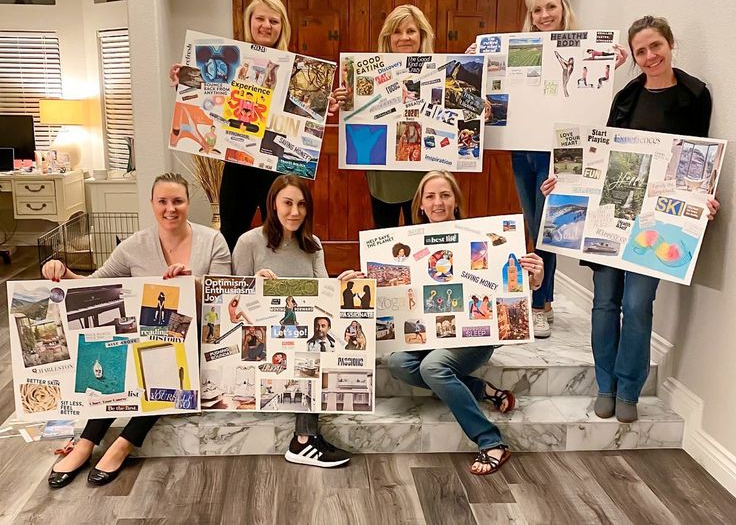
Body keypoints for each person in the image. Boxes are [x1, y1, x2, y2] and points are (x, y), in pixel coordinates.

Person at [541, 16, 719, 423]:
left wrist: (706, 198)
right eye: (641, 51)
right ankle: (606, 386)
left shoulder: (695, 96)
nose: (650, 56)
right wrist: (563, 182)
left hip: (657, 223)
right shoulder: (626, 97)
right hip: (610, 217)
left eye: (656, 46)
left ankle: (629, 390)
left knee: (638, 305)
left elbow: (701, 157)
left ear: (671, 44)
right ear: (634, 57)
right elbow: (598, 154)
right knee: (605, 303)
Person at [42, 173, 231, 488]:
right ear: (152, 204)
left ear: (188, 204)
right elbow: (97, 286)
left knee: (166, 365)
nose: (170, 209)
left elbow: (222, 296)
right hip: (146, 336)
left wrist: (191, 282)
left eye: (178, 201)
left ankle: (124, 442)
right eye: (163, 202)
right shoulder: (134, 246)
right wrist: (63, 271)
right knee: (118, 356)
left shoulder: (213, 241)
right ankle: (87, 441)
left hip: (197, 338)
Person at [467, 0, 627, 338]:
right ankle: (545, 298)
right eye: (536, 9)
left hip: (561, 152)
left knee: (547, 229)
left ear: (563, 8)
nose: (543, 15)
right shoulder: (521, 49)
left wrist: (609, 67)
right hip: (522, 149)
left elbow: (586, 92)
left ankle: (539, 304)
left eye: (550, 7)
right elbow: (496, 91)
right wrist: (475, 62)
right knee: (533, 222)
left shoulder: (586, 48)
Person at [387, 171, 545, 476]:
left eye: (445, 195)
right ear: (420, 205)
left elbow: (508, 286)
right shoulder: (404, 247)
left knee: (433, 368)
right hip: (430, 337)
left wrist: (534, 279)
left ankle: (491, 441)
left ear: (456, 201)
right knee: (396, 362)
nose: (438, 203)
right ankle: (480, 389)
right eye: (430, 196)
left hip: (474, 337)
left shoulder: (483, 238)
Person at [169, 0, 347, 252]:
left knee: (284, 234)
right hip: (238, 163)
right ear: (249, 22)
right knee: (231, 232)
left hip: (278, 167)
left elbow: (304, 114)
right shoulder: (230, 60)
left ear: (282, 27)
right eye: (260, 18)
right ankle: (232, 289)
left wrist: (323, 107)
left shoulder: (297, 70)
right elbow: (206, 99)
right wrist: (183, 81)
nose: (266, 25)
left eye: (274, 21)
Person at [232, 173, 364, 467]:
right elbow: (233, 300)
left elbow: (324, 294)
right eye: (287, 203)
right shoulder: (249, 242)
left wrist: (342, 284)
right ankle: (304, 440)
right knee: (307, 358)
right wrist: (254, 284)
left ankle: (304, 439)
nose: (295, 212)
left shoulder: (312, 243)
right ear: (273, 205)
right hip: (263, 343)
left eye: (301, 205)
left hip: (301, 340)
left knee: (317, 349)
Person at [366, 5, 435, 228]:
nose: (404, 37)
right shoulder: (370, 74)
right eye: (397, 32)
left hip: (425, 168)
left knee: (424, 237)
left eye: (411, 31)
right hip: (385, 170)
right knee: (384, 236)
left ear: (421, 35)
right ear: (389, 37)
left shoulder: (438, 71)